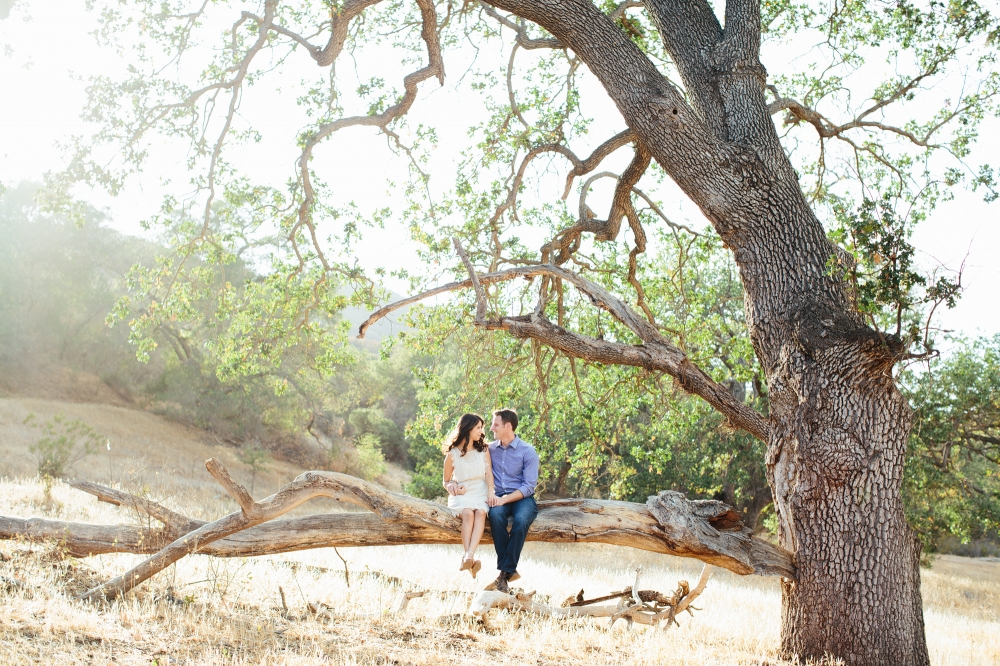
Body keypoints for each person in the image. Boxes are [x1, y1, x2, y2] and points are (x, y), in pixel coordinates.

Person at [486, 408, 539, 593]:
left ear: (508, 426)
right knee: (496, 516)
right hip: (497, 496)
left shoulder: (528, 451)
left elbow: (529, 486)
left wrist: (506, 499)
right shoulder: (489, 449)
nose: (492, 428)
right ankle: (508, 570)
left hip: (521, 498)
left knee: (522, 519)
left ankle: (504, 572)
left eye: (496, 424)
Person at [442, 413, 495, 578]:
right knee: (467, 514)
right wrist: (454, 488)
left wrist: (491, 490)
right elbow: (446, 481)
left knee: (480, 512)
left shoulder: (483, 449)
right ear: (468, 428)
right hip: (463, 493)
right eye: (478, 427)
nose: (481, 431)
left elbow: (488, 474)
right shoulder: (452, 454)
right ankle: (469, 557)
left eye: (481, 428)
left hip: (480, 490)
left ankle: (468, 557)